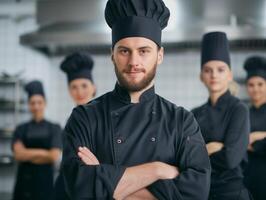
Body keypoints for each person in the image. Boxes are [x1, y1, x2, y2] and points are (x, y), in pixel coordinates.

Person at [62, 0, 211, 199]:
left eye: (143, 51)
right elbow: (78, 187)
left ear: (159, 55)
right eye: (124, 51)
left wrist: (105, 182)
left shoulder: (181, 121)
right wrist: (156, 170)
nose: (134, 62)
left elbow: (197, 191)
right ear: (112, 55)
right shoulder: (85, 117)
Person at [192, 31, 251, 200]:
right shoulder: (194, 114)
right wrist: (211, 148)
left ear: (230, 74)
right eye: (208, 70)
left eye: (220, 69)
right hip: (203, 193)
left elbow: (231, 159)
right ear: (201, 76)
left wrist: (200, 151)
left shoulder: (239, 109)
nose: (214, 75)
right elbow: (186, 158)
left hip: (231, 193)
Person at [54, 52, 96, 200]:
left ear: (93, 87)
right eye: (74, 87)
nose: (79, 92)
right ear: (69, 90)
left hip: (91, 188)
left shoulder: (103, 118)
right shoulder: (70, 120)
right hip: (64, 188)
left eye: (84, 85)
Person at [12, 80, 62, 200]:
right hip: (23, 186)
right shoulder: (20, 128)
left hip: (45, 185)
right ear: (29, 105)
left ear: (45, 103)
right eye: (32, 103)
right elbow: (18, 155)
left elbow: (54, 156)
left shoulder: (54, 128)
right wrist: (44, 153)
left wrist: (27, 153)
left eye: (39, 102)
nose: (36, 106)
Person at [243, 56, 266, 200]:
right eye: (251, 85)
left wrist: (253, 137)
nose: (255, 89)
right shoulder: (243, 112)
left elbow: (241, 143)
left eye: (260, 84)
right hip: (247, 177)